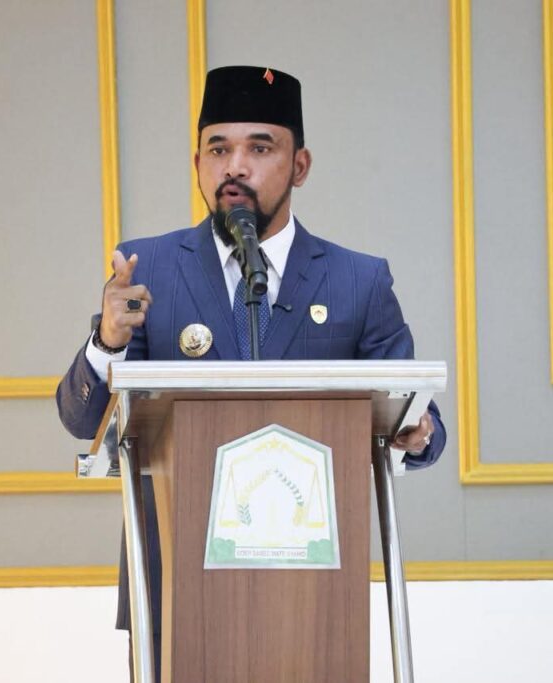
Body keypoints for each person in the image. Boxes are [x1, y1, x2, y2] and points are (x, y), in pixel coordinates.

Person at [57, 65, 447, 680]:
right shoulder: (147, 269)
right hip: (175, 592)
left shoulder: (358, 281)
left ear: (300, 166)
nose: (235, 167)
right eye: (219, 150)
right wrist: (108, 342)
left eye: (260, 149)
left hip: (316, 601)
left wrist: (415, 432)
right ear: (197, 164)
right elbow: (83, 420)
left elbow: (424, 426)